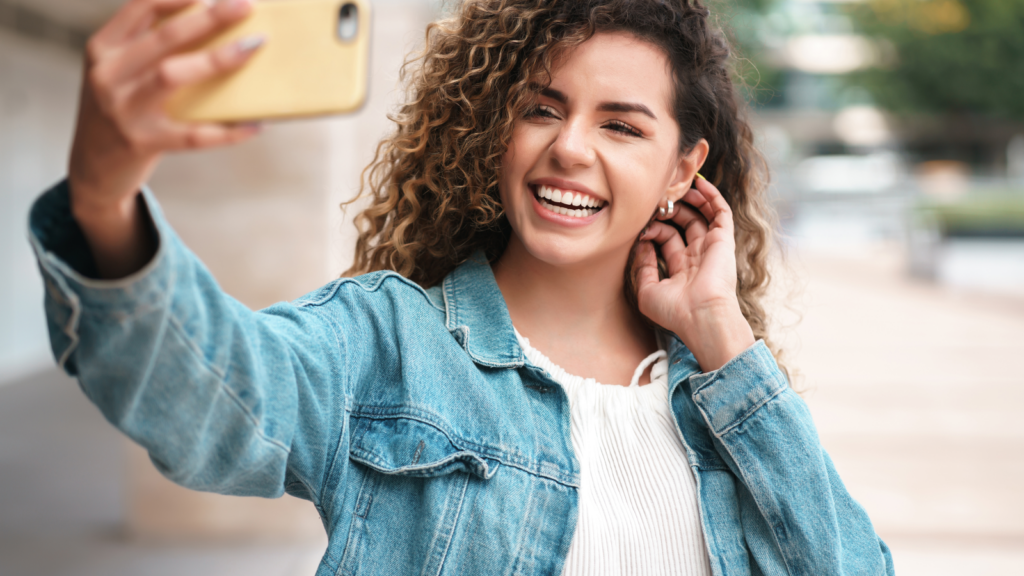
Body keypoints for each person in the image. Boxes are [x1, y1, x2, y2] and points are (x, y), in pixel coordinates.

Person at [28, 0, 894, 574]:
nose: (570, 150)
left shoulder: (721, 396)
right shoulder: (388, 342)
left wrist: (722, 337)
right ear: (499, 128)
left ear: (684, 167)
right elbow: (212, 400)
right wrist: (103, 197)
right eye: (542, 108)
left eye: (621, 125)